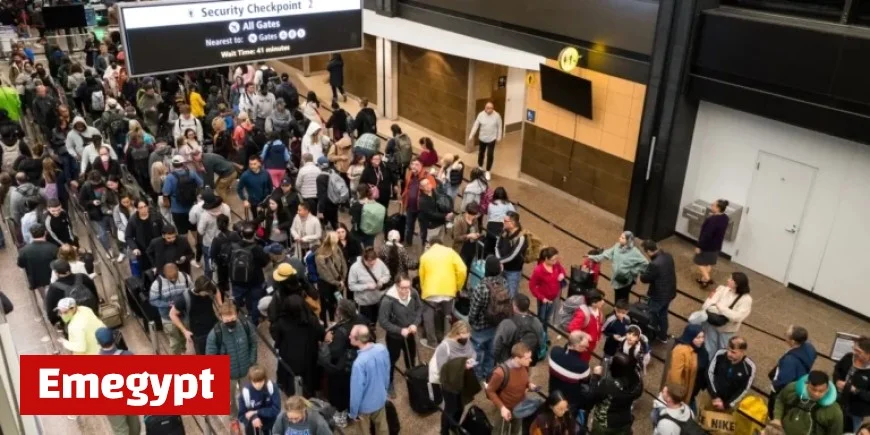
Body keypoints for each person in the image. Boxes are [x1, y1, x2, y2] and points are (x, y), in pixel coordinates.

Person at [206, 301, 258, 433]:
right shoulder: (215, 334)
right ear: (220, 317)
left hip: (246, 370)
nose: (230, 321)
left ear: (237, 314)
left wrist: (251, 361)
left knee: (248, 394)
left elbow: (253, 343)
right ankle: (233, 420)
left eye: (233, 318)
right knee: (229, 400)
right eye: (227, 319)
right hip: (227, 375)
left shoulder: (246, 326)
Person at [271, 293, 325, 397]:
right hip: (308, 358)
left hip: (289, 359)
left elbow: (277, 338)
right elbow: (321, 334)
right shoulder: (311, 320)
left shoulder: (281, 322)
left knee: (291, 384)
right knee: (309, 384)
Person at [378, 274, 422, 396]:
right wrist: (399, 330)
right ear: (396, 286)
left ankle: (413, 378)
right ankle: (389, 382)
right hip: (395, 337)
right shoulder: (388, 300)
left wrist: (415, 323)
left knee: (411, 358)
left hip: (410, 334)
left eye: (408, 287)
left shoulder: (413, 293)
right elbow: (383, 321)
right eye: (402, 287)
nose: (405, 290)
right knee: (392, 359)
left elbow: (419, 309)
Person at [419, 237, 468, 348]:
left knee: (428, 315)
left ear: (430, 245)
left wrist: (423, 289)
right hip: (448, 290)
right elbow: (462, 269)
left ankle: (432, 342)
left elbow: (422, 276)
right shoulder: (450, 252)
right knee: (447, 314)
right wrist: (458, 286)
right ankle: (447, 340)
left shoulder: (425, 256)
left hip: (430, 291)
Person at [431, 320, 478, 435]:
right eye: (466, 334)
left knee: (461, 407)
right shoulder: (444, 347)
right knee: (450, 409)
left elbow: (472, 352)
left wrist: (472, 359)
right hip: (450, 385)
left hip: (462, 381)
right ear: (458, 333)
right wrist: (462, 366)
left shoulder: (466, 341)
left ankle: (454, 425)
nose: (468, 337)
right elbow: (443, 368)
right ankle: (444, 431)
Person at [469, 256, 510, 381]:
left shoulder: (481, 287)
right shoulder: (504, 283)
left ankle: (477, 376)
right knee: (491, 352)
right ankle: (489, 374)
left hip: (480, 327)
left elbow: (474, 310)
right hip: (497, 324)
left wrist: (472, 322)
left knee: (477, 353)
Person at [485, 342, 538, 435]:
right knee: (499, 431)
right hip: (506, 408)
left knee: (516, 430)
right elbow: (490, 390)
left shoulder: (525, 366)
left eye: (530, 357)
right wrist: (502, 408)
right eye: (527, 358)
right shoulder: (500, 373)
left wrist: (529, 384)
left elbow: (524, 379)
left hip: (520, 406)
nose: (530, 360)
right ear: (517, 358)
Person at [348, 324, 391, 434]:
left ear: (358, 340)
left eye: (351, 335)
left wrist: (353, 412)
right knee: (382, 428)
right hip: (380, 398)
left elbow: (356, 391)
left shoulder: (359, 363)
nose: (349, 336)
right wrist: (384, 390)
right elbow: (387, 372)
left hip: (364, 406)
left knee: (363, 431)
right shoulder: (382, 349)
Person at [771, 371, 843, 435]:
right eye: (813, 389)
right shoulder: (792, 389)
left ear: (827, 389)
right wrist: (777, 418)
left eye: (821, 391)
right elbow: (780, 399)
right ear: (806, 384)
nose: (816, 394)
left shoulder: (834, 411)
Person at [587, 352, 643, 435]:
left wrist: (595, 377)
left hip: (604, 422)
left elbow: (592, 397)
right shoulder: (638, 380)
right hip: (624, 419)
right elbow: (638, 394)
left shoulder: (608, 384)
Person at [769, 325, 816, 418]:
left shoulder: (789, 361)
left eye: (787, 334)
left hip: (782, 393)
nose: (785, 334)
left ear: (793, 341)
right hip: (798, 383)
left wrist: (774, 386)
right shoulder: (809, 347)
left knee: (774, 413)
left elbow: (783, 382)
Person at [702, 271, 753, 357]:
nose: (728, 280)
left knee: (723, 352)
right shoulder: (722, 289)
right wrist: (726, 312)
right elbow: (707, 305)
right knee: (709, 349)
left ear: (737, 284)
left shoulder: (746, 300)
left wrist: (720, 308)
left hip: (727, 331)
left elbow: (737, 317)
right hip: (712, 325)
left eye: (731, 279)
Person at [587, 231, 648, 302]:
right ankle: (617, 309)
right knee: (617, 296)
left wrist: (633, 271)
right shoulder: (616, 246)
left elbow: (645, 263)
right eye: (620, 237)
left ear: (628, 240)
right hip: (616, 278)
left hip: (626, 280)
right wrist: (592, 257)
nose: (619, 239)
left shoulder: (635, 252)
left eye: (622, 238)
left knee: (623, 298)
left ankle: (621, 311)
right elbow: (605, 255)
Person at [228, 223, 270, 325]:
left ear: (241, 234)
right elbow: (265, 262)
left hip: (237, 280)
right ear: (254, 234)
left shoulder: (234, 246)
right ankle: (253, 321)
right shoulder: (257, 249)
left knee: (236, 300)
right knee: (255, 301)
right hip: (255, 280)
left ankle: (232, 318)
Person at [170, 276, 221, 355]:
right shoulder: (183, 299)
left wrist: (220, 305)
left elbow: (216, 291)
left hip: (214, 326)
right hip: (198, 333)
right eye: (206, 292)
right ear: (199, 290)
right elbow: (172, 314)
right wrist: (184, 331)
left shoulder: (210, 289)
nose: (209, 294)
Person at [149, 263, 193, 355]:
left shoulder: (185, 277)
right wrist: (167, 304)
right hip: (167, 318)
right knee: (174, 342)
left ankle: (183, 351)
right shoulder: (157, 284)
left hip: (184, 315)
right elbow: (153, 300)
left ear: (178, 270)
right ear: (164, 274)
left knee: (183, 336)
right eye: (170, 278)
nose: (173, 279)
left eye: (175, 277)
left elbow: (191, 291)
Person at [640, 239, 677, 343]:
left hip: (658, 296)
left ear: (648, 251)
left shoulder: (654, 264)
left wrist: (643, 272)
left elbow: (644, 279)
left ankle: (650, 334)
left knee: (652, 314)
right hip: (669, 293)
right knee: (663, 314)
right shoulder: (668, 256)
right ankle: (663, 336)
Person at [493, 294, 545, 365]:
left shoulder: (507, 324)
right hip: (527, 359)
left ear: (515, 307)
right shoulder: (536, 321)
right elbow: (541, 340)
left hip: (509, 361)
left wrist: (495, 360)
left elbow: (496, 346)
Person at [708, 336, 756, 411]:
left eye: (733, 352)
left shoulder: (749, 367)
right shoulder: (720, 355)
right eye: (728, 350)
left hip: (730, 404)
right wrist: (714, 396)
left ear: (742, 351)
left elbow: (744, 389)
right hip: (713, 398)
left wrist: (728, 404)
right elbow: (709, 373)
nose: (729, 354)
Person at [45, 259, 99, 326]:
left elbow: (51, 311)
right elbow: (95, 294)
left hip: (72, 324)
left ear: (56, 272)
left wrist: (56, 322)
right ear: (70, 268)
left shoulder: (54, 288)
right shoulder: (83, 277)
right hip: (91, 316)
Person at [666, 324, 708, 409]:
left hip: (692, 391)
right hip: (682, 394)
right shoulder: (681, 351)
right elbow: (675, 375)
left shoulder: (700, 349)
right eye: (698, 337)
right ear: (690, 337)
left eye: (702, 337)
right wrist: (678, 396)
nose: (701, 340)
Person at [833, 335, 870, 432]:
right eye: (854, 349)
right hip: (837, 400)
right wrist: (837, 381)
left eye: (858, 351)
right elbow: (837, 369)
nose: (854, 353)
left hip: (855, 411)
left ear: (868, 354)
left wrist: (855, 390)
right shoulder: (849, 357)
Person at [548, 331, 591, 412]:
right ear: (577, 346)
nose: (587, 347)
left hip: (553, 393)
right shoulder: (583, 367)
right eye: (585, 346)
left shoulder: (554, 351)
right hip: (570, 401)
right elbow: (586, 382)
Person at [348, 247, 391, 329]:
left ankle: (373, 330)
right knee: (365, 323)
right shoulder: (355, 268)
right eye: (370, 264)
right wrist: (366, 286)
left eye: (374, 263)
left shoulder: (378, 262)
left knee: (374, 320)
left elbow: (387, 274)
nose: (373, 265)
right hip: (364, 302)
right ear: (364, 260)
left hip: (377, 299)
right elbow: (351, 286)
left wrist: (381, 281)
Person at [162, 155, 204, 235]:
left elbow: (165, 193)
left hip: (177, 210)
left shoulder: (170, 177)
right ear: (183, 163)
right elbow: (201, 184)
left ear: (173, 165)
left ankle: (186, 246)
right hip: (192, 207)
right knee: (194, 229)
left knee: (182, 232)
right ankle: (196, 245)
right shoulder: (191, 173)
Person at [237, 364, 281, 435]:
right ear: (250, 381)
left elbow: (276, 409)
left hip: (270, 423)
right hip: (253, 427)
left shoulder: (272, 387)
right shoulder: (245, 393)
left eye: (260, 381)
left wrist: (256, 412)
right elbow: (242, 416)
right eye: (255, 382)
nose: (258, 385)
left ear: (265, 379)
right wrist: (254, 418)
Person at [695, 198, 730, 288]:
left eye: (713, 205)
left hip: (707, 246)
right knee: (708, 263)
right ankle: (704, 281)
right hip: (717, 246)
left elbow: (706, 235)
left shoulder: (712, 220)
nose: (711, 206)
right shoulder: (725, 218)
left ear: (718, 208)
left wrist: (699, 246)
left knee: (698, 262)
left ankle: (707, 278)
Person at [17, 224, 58, 301]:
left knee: (45, 299)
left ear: (31, 235)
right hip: (52, 278)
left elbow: (20, 264)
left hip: (36, 280)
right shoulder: (53, 247)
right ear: (45, 233)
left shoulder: (24, 251)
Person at [401, 159, 437, 245]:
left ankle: (423, 245)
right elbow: (407, 187)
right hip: (410, 206)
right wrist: (403, 197)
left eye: (416, 165)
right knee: (409, 226)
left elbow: (433, 192)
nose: (413, 166)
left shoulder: (429, 177)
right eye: (412, 164)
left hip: (422, 209)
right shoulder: (410, 174)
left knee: (423, 229)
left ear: (422, 166)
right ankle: (408, 242)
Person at [197, 191, 231, 279]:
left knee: (209, 265)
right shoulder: (226, 207)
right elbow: (229, 222)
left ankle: (208, 282)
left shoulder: (205, 215)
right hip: (224, 241)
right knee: (223, 263)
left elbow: (200, 231)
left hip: (209, 243)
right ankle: (224, 282)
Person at [315, 231, 347, 323]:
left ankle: (334, 320)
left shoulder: (337, 248)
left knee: (335, 301)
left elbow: (343, 262)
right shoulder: (320, 255)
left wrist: (343, 277)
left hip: (338, 281)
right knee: (325, 303)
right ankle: (324, 322)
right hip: (326, 283)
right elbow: (324, 274)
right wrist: (337, 282)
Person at [529, 247, 565, 326]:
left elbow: (561, 269)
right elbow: (532, 286)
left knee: (548, 318)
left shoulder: (556, 264)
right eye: (553, 259)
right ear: (546, 259)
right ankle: (541, 334)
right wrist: (542, 297)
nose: (555, 261)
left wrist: (562, 274)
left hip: (553, 297)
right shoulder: (538, 270)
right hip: (544, 300)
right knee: (541, 319)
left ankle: (544, 333)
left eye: (556, 258)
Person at [125, 199, 164, 274]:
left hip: (157, 248)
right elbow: (128, 236)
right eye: (140, 207)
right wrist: (135, 248)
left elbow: (163, 230)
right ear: (137, 209)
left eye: (145, 206)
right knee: (148, 272)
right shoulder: (133, 220)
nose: (144, 209)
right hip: (143, 251)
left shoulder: (156, 216)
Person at [567, 289, 606, 362]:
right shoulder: (582, 314)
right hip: (582, 346)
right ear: (593, 303)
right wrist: (584, 335)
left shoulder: (599, 311)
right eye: (601, 300)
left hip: (590, 344)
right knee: (579, 361)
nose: (603, 302)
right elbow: (571, 328)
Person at [496, 211, 528, 297]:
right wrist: (499, 260)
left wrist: (499, 261)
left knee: (511, 296)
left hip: (513, 272)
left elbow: (513, 255)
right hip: (501, 268)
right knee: (498, 293)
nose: (503, 222)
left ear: (513, 223)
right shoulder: (504, 231)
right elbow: (497, 246)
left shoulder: (521, 238)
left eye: (505, 221)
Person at [469, 101, 503, 179]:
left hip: (492, 139)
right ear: (485, 108)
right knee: (481, 153)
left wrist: (499, 137)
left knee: (490, 155)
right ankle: (480, 167)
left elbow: (499, 127)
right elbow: (475, 125)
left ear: (493, 108)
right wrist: (471, 135)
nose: (489, 110)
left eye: (491, 108)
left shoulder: (497, 116)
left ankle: (488, 171)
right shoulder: (481, 115)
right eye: (488, 108)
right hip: (482, 138)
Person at [418, 178, 453, 243]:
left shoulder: (435, 192)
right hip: (432, 227)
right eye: (425, 185)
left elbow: (441, 188)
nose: (428, 185)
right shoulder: (422, 201)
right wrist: (445, 216)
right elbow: (431, 214)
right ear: (421, 188)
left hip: (441, 223)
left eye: (428, 183)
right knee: (430, 245)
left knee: (440, 243)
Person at [451, 202, 482, 268]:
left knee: (468, 267)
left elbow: (476, 230)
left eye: (475, 215)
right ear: (467, 212)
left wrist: (477, 234)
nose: (473, 217)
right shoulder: (459, 220)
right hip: (461, 249)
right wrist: (469, 236)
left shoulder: (475, 219)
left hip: (471, 247)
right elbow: (456, 238)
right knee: (460, 268)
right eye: (471, 215)